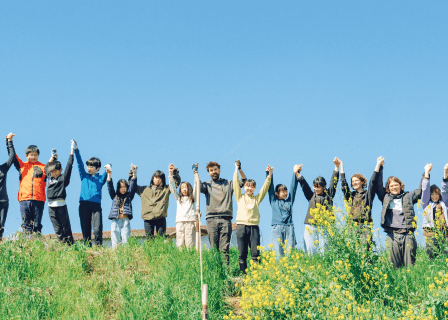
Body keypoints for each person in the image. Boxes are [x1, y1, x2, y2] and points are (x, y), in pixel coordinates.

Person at [194, 161, 247, 265]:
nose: (213, 172)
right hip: (211, 219)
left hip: (225, 219)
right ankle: (216, 270)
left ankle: (225, 271)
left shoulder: (229, 183)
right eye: (211, 170)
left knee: (225, 248)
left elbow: (244, 182)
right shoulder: (207, 185)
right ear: (208, 172)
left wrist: (239, 168)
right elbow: (198, 185)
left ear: (219, 170)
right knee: (214, 247)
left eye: (215, 169)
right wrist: (196, 172)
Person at [376, 159, 424, 268]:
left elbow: (421, 191)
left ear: (400, 185)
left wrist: (425, 174)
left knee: (410, 265)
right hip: (392, 234)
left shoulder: (408, 196)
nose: (394, 187)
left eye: (396, 185)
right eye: (391, 186)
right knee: (393, 266)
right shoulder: (385, 197)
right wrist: (380, 167)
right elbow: (378, 186)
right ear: (388, 188)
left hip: (407, 234)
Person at [234, 162, 272, 273]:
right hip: (241, 226)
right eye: (247, 186)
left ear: (254, 188)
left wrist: (269, 176)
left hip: (254, 227)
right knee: (242, 253)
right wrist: (236, 169)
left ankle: (256, 275)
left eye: (252, 187)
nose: (249, 188)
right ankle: (243, 274)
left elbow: (264, 189)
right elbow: (235, 183)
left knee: (255, 254)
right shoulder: (239, 197)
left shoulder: (257, 199)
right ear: (244, 187)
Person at [299, 157, 340, 254]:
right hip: (311, 225)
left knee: (324, 250)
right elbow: (304, 185)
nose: (316, 189)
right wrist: (297, 174)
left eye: (318, 187)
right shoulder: (311, 195)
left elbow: (333, 182)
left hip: (325, 225)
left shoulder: (329, 195)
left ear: (324, 187)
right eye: (314, 187)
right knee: (310, 249)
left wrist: (336, 166)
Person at [340, 157, 382, 246]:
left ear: (362, 182)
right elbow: (344, 184)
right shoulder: (350, 196)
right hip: (352, 226)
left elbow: (372, 182)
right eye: (352, 181)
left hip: (365, 226)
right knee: (353, 251)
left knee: (365, 250)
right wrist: (341, 165)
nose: (354, 183)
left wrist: (378, 164)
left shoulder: (368, 195)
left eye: (356, 180)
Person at [73, 139, 108, 246]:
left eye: (91, 166)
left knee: (97, 228)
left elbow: (108, 172)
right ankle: (87, 248)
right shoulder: (84, 176)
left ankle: (98, 247)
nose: (89, 168)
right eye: (88, 166)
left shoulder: (101, 178)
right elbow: (79, 163)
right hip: (83, 204)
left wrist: (109, 166)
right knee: (85, 228)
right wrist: (76, 149)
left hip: (96, 205)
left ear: (97, 168)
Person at [10, 139, 47, 234]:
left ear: (38, 155)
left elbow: (53, 171)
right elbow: (13, 156)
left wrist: (53, 159)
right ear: (27, 156)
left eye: (35, 155)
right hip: (24, 199)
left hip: (39, 199)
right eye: (31, 155)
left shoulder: (44, 167)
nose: (33, 157)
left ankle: (37, 243)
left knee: (37, 224)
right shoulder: (22, 165)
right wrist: (9, 142)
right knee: (26, 223)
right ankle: (27, 243)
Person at [135, 164, 180, 238]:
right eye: (156, 177)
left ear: (162, 179)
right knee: (149, 240)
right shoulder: (144, 189)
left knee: (161, 239)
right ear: (153, 178)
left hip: (161, 217)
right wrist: (132, 173)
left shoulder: (165, 189)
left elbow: (175, 184)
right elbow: (133, 186)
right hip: (147, 218)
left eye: (160, 178)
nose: (157, 179)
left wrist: (173, 172)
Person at [44, 142, 75, 244]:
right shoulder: (50, 177)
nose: (54, 173)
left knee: (66, 228)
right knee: (58, 229)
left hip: (61, 206)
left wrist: (72, 150)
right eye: (52, 172)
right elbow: (46, 167)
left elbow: (69, 165)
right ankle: (62, 247)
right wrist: (52, 157)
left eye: (56, 171)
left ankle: (71, 246)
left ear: (60, 170)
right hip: (51, 207)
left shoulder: (63, 178)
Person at [267, 164, 301, 256]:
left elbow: (293, 189)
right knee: (277, 252)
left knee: (289, 253)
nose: (285, 193)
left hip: (289, 227)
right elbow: (270, 188)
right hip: (277, 227)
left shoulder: (289, 201)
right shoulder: (273, 201)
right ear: (277, 193)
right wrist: (269, 174)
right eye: (282, 191)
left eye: (286, 191)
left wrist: (296, 173)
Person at [106, 164, 137, 248]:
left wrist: (134, 173)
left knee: (126, 241)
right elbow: (109, 187)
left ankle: (125, 256)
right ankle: (115, 256)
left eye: (125, 187)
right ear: (118, 188)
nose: (123, 189)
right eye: (121, 187)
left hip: (125, 220)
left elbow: (133, 186)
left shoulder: (129, 196)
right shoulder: (114, 196)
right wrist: (109, 175)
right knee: (115, 240)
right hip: (115, 221)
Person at [422, 163, 448, 259]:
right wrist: (426, 172)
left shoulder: (444, 203)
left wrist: (445, 173)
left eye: (436, 193)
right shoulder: (426, 204)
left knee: (445, 255)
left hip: (445, 233)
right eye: (432, 194)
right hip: (431, 232)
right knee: (431, 255)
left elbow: (445, 190)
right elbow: (425, 190)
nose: (434, 196)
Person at [169, 166, 197, 249]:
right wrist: (170, 174)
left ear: (189, 188)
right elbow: (172, 187)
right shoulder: (178, 198)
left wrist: (195, 173)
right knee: (180, 241)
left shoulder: (192, 198)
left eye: (185, 187)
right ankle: (180, 257)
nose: (184, 189)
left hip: (190, 221)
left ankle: (190, 256)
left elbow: (196, 186)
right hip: (180, 221)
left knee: (189, 241)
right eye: (182, 188)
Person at [0, 133, 16, 239]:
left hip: (3, 201)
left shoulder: (3, 168)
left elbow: (12, 157)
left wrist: (9, 141)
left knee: (1, 226)